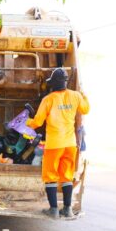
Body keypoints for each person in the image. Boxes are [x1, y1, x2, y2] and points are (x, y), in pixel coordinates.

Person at [26, 68, 89, 219]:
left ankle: (53, 209)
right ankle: (67, 209)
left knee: (50, 176)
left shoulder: (48, 99)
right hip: (70, 144)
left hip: (54, 145)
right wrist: (84, 94)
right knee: (66, 176)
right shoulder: (75, 96)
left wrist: (26, 121)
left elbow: (37, 122)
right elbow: (85, 109)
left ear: (53, 84)